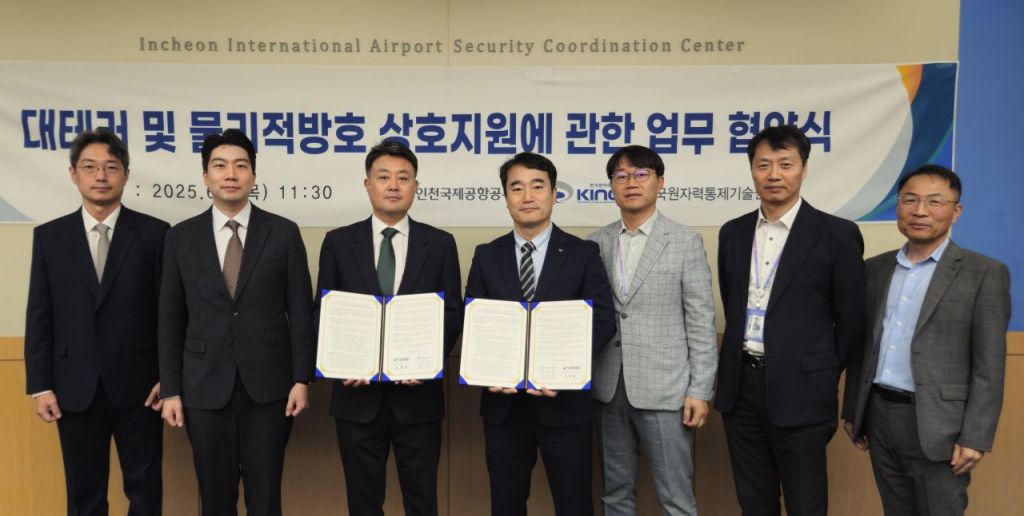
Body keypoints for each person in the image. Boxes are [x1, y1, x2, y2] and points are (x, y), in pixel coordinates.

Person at [158, 129, 314, 516]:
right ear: (205, 176)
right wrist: (171, 390)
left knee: (265, 497)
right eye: (220, 166)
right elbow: (170, 318)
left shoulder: (283, 232)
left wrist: (301, 379)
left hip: (270, 387)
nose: (231, 174)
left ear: (253, 176)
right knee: (215, 497)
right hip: (203, 388)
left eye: (240, 166)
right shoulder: (180, 237)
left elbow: (300, 310)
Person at [842, 164, 1010, 515]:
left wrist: (975, 436)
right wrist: (853, 410)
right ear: (898, 207)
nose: (920, 211)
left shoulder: (984, 273)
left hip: (940, 424)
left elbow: (989, 365)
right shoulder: (874, 269)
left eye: (934, 202)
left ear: (956, 211)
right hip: (879, 415)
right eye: (910, 200)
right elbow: (862, 347)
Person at [715, 125, 866, 515]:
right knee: (754, 502)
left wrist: (820, 370)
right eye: (763, 165)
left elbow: (851, 320)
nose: (774, 174)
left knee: (805, 503)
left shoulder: (836, 234)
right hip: (741, 387)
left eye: (785, 164)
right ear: (752, 170)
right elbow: (733, 302)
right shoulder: (732, 233)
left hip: (803, 388)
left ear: (804, 169)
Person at [313, 140, 463, 516]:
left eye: (403, 177)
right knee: (363, 503)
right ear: (368, 185)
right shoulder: (338, 242)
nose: (393, 185)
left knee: (422, 501)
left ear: (416, 186)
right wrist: (340, 363)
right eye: (383, 177)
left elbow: (452, 313)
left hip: (418, 398)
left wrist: (427, 362)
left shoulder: (440, 244)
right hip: (356, 398)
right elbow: (323, 312)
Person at [25, 128, 168, 516]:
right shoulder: (50, 237)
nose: (101, 175)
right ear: (73, 173)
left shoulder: (155, 234)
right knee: (84, 494)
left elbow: (168, 313)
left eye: (111, 167)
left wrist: (167, 378)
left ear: (126, 174)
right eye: (89, 167)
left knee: (145, 491)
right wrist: (41, 386)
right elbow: (40, 314)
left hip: (142, 387)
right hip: (73, 386)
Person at [465, 151, 616, 516]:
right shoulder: (486, 255)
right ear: (506, 197)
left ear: (553, 193)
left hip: (564, 405)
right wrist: (488, 371)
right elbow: (475, 323)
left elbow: (603, 321)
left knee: (574, 504)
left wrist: (564, 371)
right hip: (504, 408)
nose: (527, 196)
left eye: (537, 186)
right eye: (516, 188)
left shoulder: (582, 253)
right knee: (506, 504)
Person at [587, 145, 717, 516]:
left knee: (675, 498)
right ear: (611, 186)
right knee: (615, 494)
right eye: (621, 176)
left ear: (660, 183)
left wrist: (700, 389)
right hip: (609, 387)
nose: (631, 182)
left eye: (641, 174)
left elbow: (700, 319)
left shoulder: (684, 241)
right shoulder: (595, 243)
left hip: (666, 389)